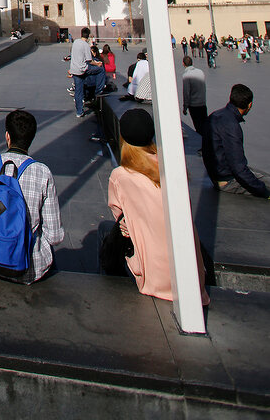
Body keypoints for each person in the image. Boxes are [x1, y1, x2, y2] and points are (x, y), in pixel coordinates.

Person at [107, 109, 209, 303]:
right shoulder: (172, 166)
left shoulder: (120, 176)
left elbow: (120, 216)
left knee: (109, 235)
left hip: (153, 277)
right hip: (191, 278)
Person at [0, 109, 63, 284]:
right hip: (30, 268)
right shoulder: (42, 172)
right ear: (32, 138)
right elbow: (54, 237)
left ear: (7, 136)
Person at [202, 84, 270, 197]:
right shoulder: (232, 126)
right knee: (264, 184)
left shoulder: (216, 115)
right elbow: (239, 168)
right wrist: (264, 192)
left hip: (216, 174)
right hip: (226, 180)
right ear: (250, 105)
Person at [69, 27, 106, 118]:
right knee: (100, 70)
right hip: (83, 69)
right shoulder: (85, 45)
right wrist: (97, 64)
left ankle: (79, 112)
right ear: (88, 36)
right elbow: (89, 61)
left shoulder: (75, 42)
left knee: (78, 91)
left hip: (74, 69)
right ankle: (98, 90)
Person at [182, 56, 207, 135]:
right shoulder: (200, 72)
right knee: (204, 125)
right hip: (202, 103)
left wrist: (185, 107)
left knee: (198, 126)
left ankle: (202, 143)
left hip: (194, 104)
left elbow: (186, 92)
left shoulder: (186, 75)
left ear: (183, 64)